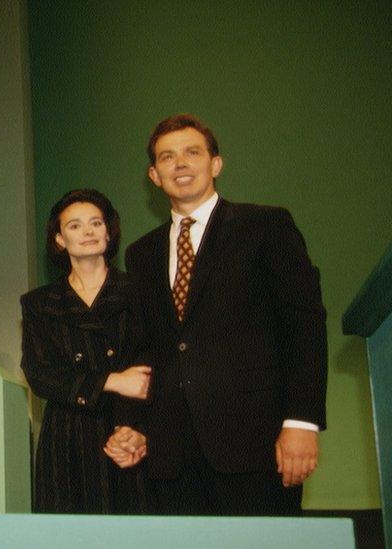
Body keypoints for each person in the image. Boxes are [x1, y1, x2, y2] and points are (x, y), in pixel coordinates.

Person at [116, 114, 328, 516]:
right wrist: (134, 424)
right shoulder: (141, 253)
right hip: (172, 454)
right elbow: (147, 347)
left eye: (192, 153)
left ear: (215, 164)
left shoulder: (266, 226)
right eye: (167, 157)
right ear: (154, 175)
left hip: (256, 446)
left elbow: (304, 326)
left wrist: (302, 422)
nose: (180, 164)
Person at [20, 189, 150, 514]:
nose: (88, 232)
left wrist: (136, 427)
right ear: (59, 239)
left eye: (96, 223)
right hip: (67, 439)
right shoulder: (39, 303)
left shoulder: (141, 291)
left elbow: (154, 363)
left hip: (129, 431)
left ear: (109, 231)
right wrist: (112, 380)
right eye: (75, 226)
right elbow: (40, 375)